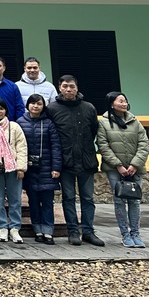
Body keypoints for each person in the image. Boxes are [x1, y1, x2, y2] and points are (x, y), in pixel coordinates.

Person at [45, 75, 104, 246]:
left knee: (87, 198)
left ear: (77, 88)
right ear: (59, 88)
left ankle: (88, 231)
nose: (69, 89)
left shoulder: (88, 107)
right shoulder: (52, 108)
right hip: (65, 160)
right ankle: (73, 231)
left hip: (86, 159)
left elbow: (93, 130)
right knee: (68, 197)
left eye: (72, 86)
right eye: (65, 86)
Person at [97, 91, 149, 248]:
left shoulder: (135, 122)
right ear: (112, 103)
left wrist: (134, 164)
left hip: (136, 168)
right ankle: (125, 234)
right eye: (120, 101)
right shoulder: (104, 122)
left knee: (134, 201)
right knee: (119, 200)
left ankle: (136, 233)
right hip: (115, 169)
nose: (124, 103)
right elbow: (103, 146)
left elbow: (143, 143)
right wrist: (118, 165)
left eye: (125, 100)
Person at [17, 93, 61, 245]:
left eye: (39, 104)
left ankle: (48, 231)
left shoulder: (49, 123)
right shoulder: (20, 123)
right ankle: (38, 230)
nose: (35, 106)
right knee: (33, 202)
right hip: (29, 168)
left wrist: (56, 167)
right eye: (32, 103)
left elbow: (55, 146)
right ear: (27, 105)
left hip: (47, 167)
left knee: (48, 202)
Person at [0, 98, 27, 244]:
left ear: (6, 111)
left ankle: (15, 227)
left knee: (15, 200)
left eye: (1, 108)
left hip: (13, 168)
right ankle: (2, 226)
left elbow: (22, 147)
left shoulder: (14, 127)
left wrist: (21, 167)